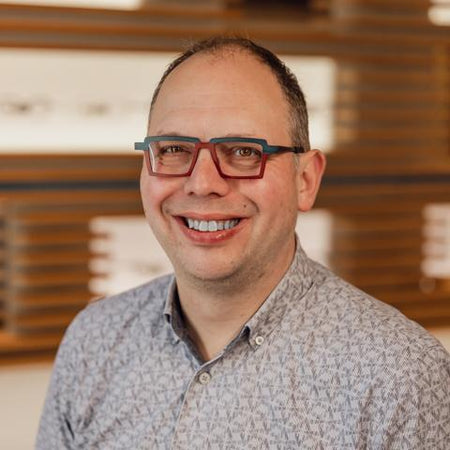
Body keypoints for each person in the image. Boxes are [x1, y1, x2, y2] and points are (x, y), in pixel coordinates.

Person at [37, 36, 450, 449]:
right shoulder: (94, 341)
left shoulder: (398, 376)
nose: (202, 183)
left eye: (243, 151)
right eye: (175, 148)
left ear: (306, 180)